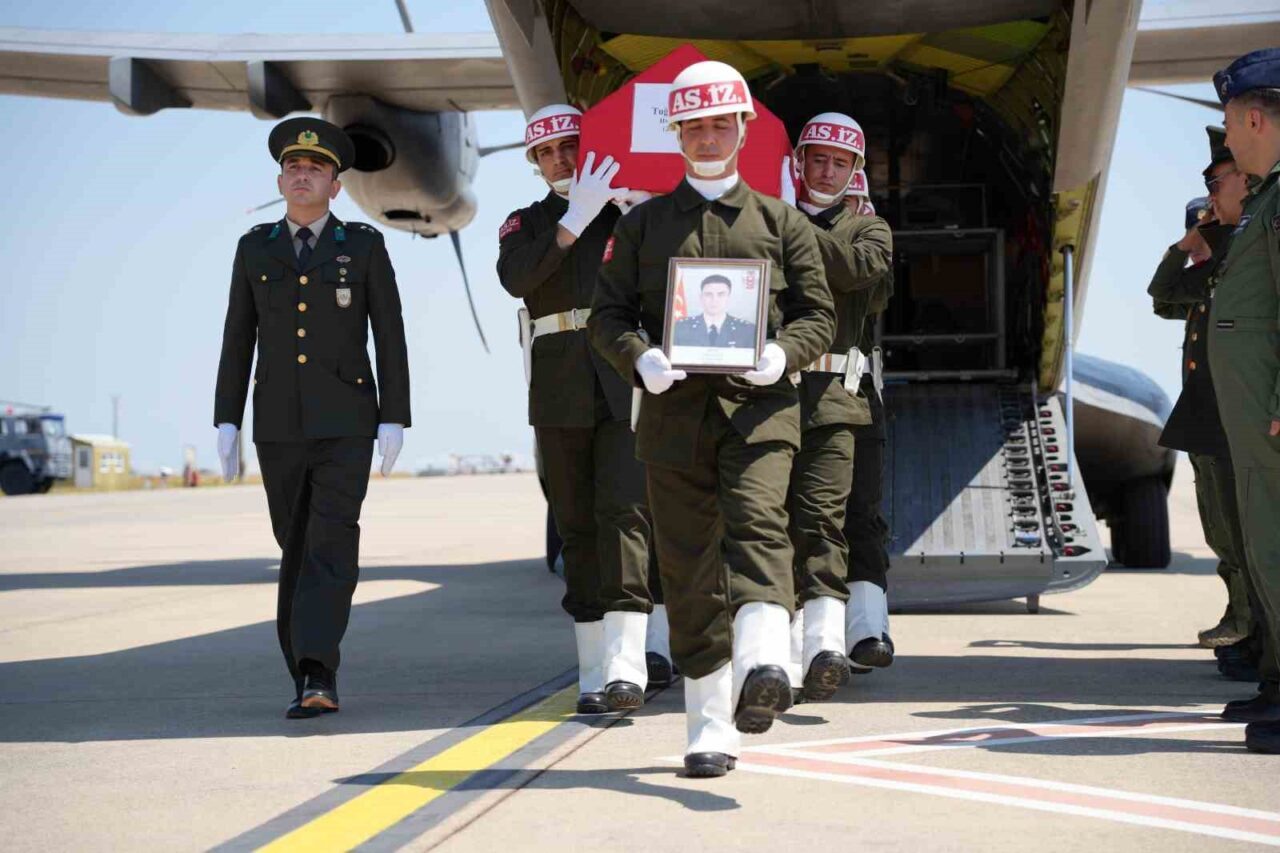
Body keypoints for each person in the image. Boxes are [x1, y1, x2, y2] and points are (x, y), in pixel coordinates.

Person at [590, 60, 835, 778]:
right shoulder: (641, 225)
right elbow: (607, 315)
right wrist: (640, 357)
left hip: (760, 412)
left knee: (759, 524)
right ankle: (709, 725)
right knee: (687, 563)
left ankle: (764, 661)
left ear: (743, 130)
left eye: (720, 125)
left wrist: (782, 354)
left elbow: (819, 315)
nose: (707, 137)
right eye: (693, 126)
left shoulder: (782, 223)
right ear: (675, 133)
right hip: (672, 417)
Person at [213, 117, 410, 719]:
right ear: (280, 181)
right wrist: (226, 419)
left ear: (336, 186)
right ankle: (302, 665)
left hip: (347, 420)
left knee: (331, 541)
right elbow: (237, 336)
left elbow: (390, 334)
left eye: (316, 169)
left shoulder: (364, 246)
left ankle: (317, 670)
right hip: (277, 424)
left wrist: (394, 416)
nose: (303, 176)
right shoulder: (255, 248)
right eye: (293, 168)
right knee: (295, 545)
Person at [498, 105, 666, 715]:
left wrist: (635, 210)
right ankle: (593, 669)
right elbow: (517, 278)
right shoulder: (525, 222)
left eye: (569, 146)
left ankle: (627, 665)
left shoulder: (626, 213)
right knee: (575, 525)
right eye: (546, 153)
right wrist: (573, 221)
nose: (560, 160)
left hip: (623, 381)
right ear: (535, 163)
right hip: (559, 388)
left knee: (626, 515)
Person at [784, 112, 893, 701]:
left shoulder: (868, 230)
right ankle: (781, 649)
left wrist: (783, 221)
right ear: (798, 162)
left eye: (840, 163)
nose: (827, 171)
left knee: (835, 517)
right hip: (771, 392)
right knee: (771, 523)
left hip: (838, 396)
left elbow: (856, 273)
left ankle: (836, 639)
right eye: (818, 159)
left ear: (856, 171)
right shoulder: (763, 219)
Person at [1149, 133, 1253, 660]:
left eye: (1217, 186)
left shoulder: (1243, 262)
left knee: (1240, 531)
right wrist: (1185, 245)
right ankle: (1245, 622)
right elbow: (1162, 295)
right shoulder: (1208, 276)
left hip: (1233, 414)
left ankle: (1250, 627)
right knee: (1220, 530)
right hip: (1206, 416)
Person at [1205, 48, 1280, 753]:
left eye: (1230, 123)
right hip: (1255, 414)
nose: (1227, 137)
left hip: (1271, 412)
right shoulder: (1265, 198)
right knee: (1264, 545)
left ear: (1255, 118)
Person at [672, 274, 757, 347]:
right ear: (701, 298)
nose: (714, 300)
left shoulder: (747, 330)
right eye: (708, 294)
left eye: (721, 294)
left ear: (729, 298)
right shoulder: (681, 328)